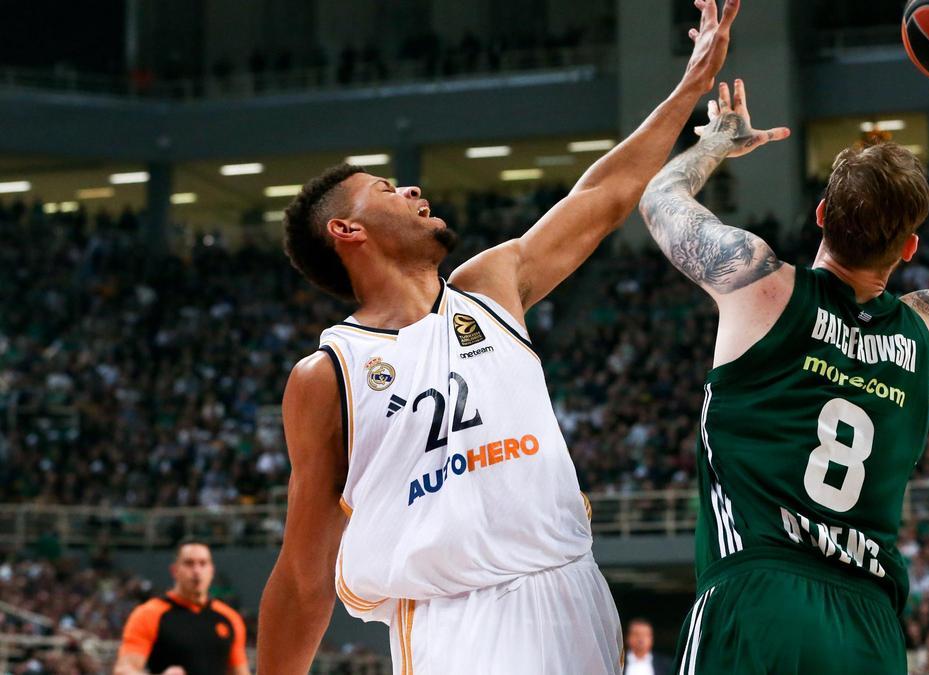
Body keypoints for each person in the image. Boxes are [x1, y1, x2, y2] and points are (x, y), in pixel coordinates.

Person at [256, 1, 742, 673]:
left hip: (574, 590)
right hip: (459, 619)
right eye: (386, 189)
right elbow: (306, 575)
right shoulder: (329, 373)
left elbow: (602, 196)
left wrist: (689, 89)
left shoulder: (487, 286)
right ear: (347, 231)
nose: (413, 189)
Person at [638, 38, 929, 674]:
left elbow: (658, 199)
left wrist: (718, 142)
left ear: (822, 214)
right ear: (909, 248)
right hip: (870, 629)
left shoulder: (759, 286)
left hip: (757, 597)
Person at [114, 542, 249, 675]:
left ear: (211, 570)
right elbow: (123, 670)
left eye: (203, 563)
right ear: (175, 570)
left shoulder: (230, 618)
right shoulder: (148, 614)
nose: (197, 571)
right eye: (189, 563)